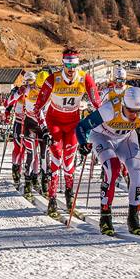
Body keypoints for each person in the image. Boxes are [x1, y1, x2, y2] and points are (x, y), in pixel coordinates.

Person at [76, 85, 140, 235]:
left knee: (136, 173)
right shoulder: (109, 110)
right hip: (102, 137)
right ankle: (106, 217)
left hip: (125, 137)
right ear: (123, 105)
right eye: (130, 111)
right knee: (112, 168)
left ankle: (133, 218)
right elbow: (81, 127)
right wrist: (82, 143)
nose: (134, 115)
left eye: (137, 111)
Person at [33, 49, 101, 219]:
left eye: (75, 65)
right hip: (54, 123)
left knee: (69, 163)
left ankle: (69, 197)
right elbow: (37, 108)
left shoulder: (85, 78)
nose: (71, 69)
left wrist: (94, 126)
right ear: (63, 64)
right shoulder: (53, 79)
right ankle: (53, 198)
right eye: (68, 65)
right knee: (56, 159)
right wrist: (45, 130)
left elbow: (98, 104)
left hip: (73, 124)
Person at [3, 72, 37, 189]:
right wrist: (7, 113)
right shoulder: (18, 90)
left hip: (32, 122)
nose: (29, 85)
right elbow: (7, 104)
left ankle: (34, 174)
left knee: (33, 150)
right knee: (19, 148)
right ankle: (16, 170)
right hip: (19, 122)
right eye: (27, 82)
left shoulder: (36, 91)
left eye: (32, 82)